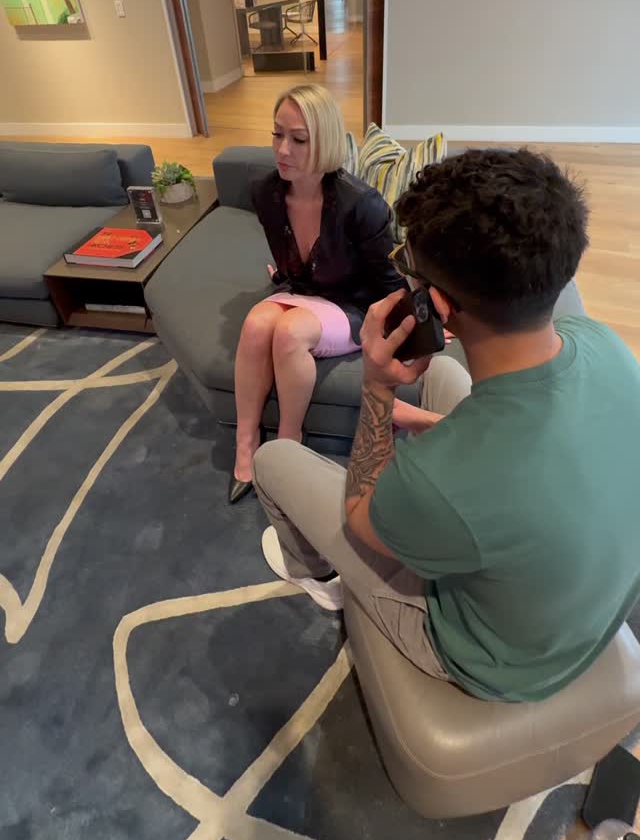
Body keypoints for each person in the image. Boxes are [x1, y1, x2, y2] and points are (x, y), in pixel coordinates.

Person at [253, 148, 640, 703]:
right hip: (580, 614)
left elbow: (361, 514)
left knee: (273, 461)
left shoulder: (438, 483)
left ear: (436, 305)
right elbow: (516, 445)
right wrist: (434, 424)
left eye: (403, 261)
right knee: (445, 379)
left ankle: (314, 574)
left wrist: (378, 391)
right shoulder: (605, 343)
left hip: (494, 662)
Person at [230, 83, 403, 503]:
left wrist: (413, 324)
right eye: (277, 135)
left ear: (323, 141)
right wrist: (285, 275)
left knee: (289, 332)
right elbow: (291, 258)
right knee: (255, 324)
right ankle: (245, 443)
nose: (282, 149)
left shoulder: (361, 204)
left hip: (353, 303)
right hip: (304, 291)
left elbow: (388, 280)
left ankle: (289, 442)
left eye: (298, 139)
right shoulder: (266, 193)